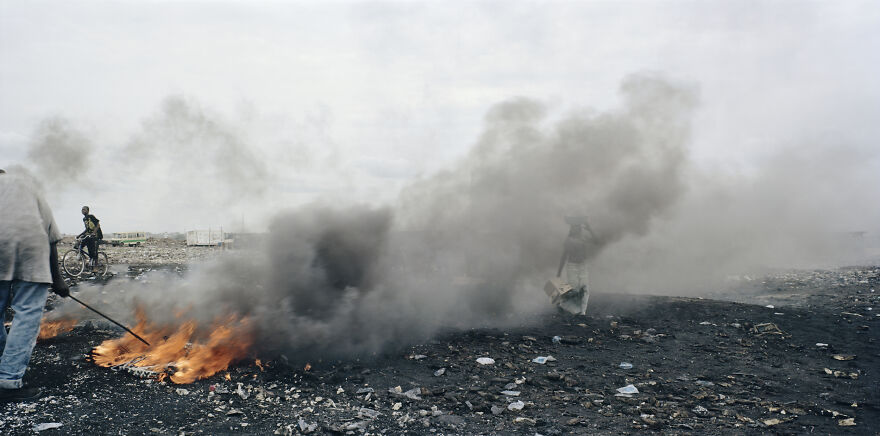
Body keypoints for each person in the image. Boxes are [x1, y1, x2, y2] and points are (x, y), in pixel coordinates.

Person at [0, 168, 70, 402]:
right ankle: (8, 381)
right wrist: (58, 279)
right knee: (27, 315)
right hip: (31, 251)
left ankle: (4, 360)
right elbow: (51, 237)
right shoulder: (29, 189)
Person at [555, 216, 598, 315]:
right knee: (574, 289)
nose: (576, 229)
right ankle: (562, 304)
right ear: (572, 229)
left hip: (583, 266)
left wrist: (589, 228)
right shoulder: (569, 240)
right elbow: (564, 256)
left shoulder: (584, 238)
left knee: (584, 288)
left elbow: (596, 241)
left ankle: (582, 312)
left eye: (578, 227)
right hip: (572, 266)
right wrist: (559, 272)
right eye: (574, 227)